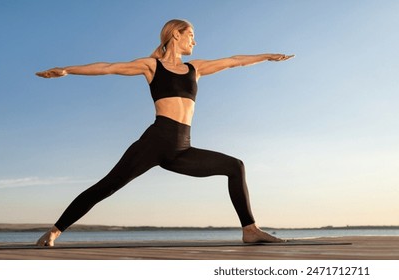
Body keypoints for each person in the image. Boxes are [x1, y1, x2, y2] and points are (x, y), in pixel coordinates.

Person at [34, 19, 293, 246]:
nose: (195, 39)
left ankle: (250, 230)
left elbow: (234, 61)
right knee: (108, 186)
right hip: (155, 142)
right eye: (191, 34)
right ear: (175, 34)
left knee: (235, 166)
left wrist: (266, 55)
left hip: (182, 148)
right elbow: (108, 67)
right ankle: (55, 231)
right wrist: (67, 70)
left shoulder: (196, 68)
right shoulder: (152, 66)